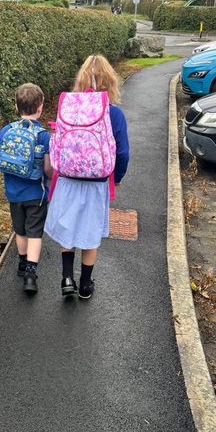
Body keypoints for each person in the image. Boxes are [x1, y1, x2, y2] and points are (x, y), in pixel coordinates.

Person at [43, 56, 129, 301]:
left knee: (67, 228)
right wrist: (117, 177)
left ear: (80, 81)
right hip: (96, 182)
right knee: (90, 233)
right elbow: (123, 152)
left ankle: (66, 278)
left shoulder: (67, 108)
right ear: (110, 82)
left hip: (67, 180)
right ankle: (85, 285)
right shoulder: (114, 113)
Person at [0, 83, 52, 295]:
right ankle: (31, 276)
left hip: (13, 193)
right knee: (35, 232)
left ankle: (22, 263)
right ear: (40, 108)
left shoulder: (7, 130)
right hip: (36, 193)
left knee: (20, 230)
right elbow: (47, 168)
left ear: (16, 107)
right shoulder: (43, 135)